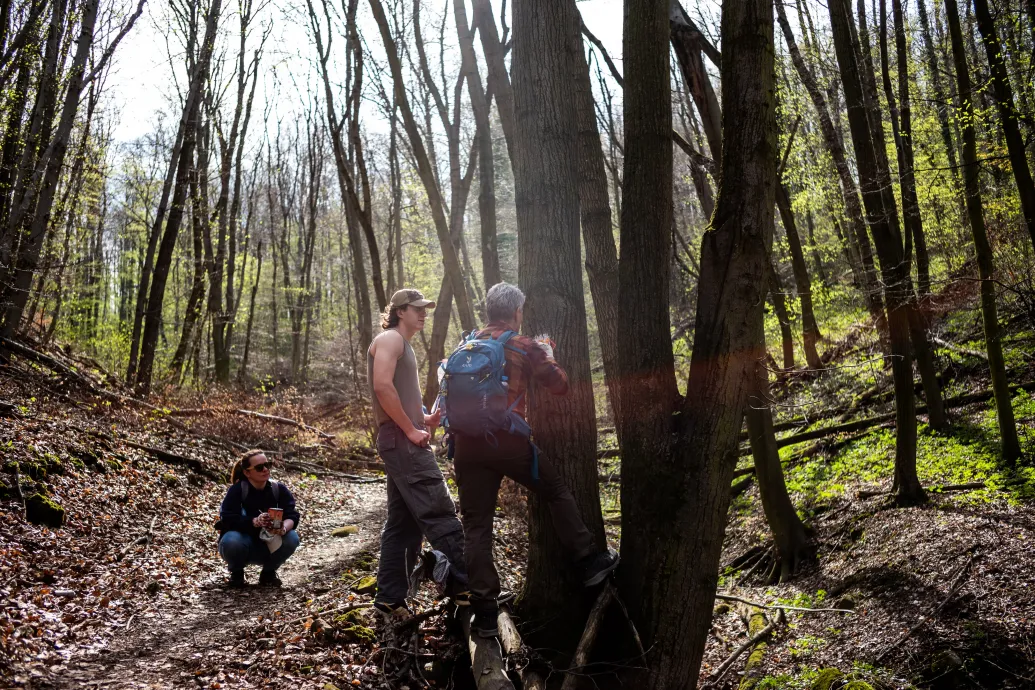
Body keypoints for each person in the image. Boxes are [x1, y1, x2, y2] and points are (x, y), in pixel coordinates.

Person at [450, 282, 619, 638]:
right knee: (555, 490)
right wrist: (547, 352)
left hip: (465, 445)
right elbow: (559, 385)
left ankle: (485, 614)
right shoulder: (524, 345)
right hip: (507, 441)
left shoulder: (466, 344)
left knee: (476, 527)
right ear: (517, 312)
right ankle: (588, 561)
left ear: (488, 310)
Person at [369, 288, 469, 620]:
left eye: (425, 308)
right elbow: (382, 386)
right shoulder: (390, 339)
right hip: (402, 441)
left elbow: (397, 392)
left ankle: (389, 599)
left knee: (403, 525)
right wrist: (411, 430)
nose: (424, 313)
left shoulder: (402, 344)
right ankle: (468, 587)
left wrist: (423, 418)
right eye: (417, 308)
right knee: (439, 511)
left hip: (400, 437)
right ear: (400, 311)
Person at [217, 450, 301, 588]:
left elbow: (292, 515)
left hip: (270, 543)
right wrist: (254, 521)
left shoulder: (278, 489)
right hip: (243, 543)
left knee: (292, 537)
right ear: (247, 472)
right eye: (259, 467)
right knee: (231, 540)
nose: (265, 469)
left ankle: (268, 573)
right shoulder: (237, 490)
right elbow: (227, 518)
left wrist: (283, 528)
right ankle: (236, 573)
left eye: (267, 465)